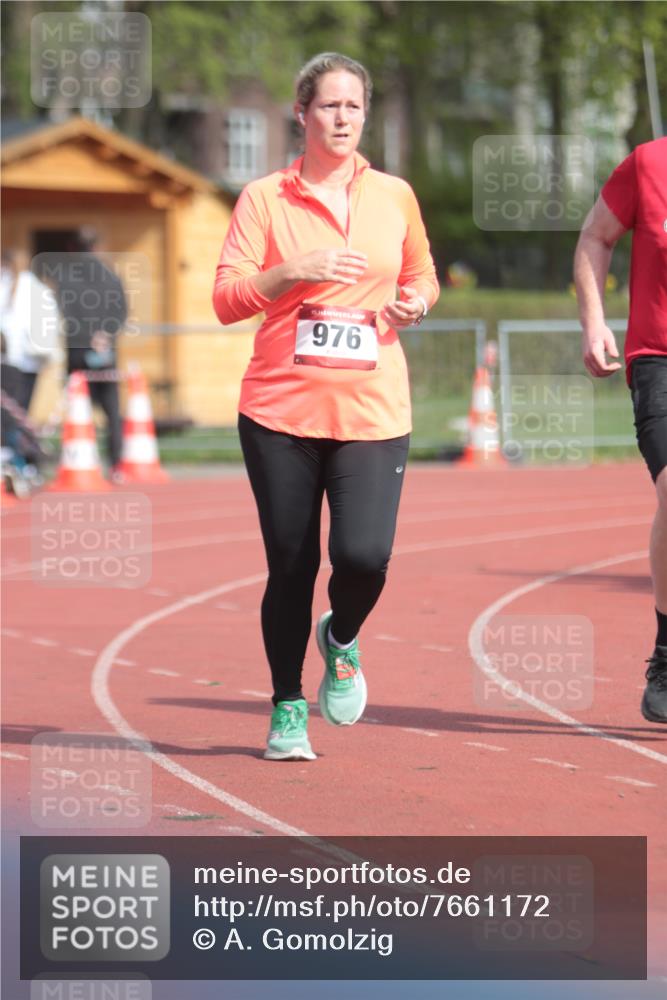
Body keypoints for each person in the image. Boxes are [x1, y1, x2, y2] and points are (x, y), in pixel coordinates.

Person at [213, 52, 439, 760]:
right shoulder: (264, 199)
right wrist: (290, 273)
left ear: (364, 115)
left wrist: (416, 302)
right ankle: (286, 707)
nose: (341, 119)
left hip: (372, 410)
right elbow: (226, 299)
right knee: (290, 565)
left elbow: (422, 275)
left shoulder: (394, 195)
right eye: (328, 107)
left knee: (364, 557)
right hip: (279, 411)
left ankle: (339, 637)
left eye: (353, 107)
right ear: (300, 113)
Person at [574, 136, 667, 724]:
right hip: (660, 358)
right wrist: (593, 322)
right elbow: (595, 236)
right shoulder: (650, 163)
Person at [50, 226, 127, 479]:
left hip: (78, 351)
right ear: (96, 247)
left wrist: (88, 335)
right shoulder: (111, 274)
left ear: (74, 248)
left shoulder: (66, 276)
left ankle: (78, 463)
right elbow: (121, 311)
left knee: (77, 410)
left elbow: (66, 313)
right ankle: (116, 465)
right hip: (105, 351)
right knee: (111, 411)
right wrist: (105, 334)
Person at [0, 248, 59, 412]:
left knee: (7, 410)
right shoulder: (38, 288)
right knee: (22, 410)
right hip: (31, 359)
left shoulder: (6, 287)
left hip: (8, 359)